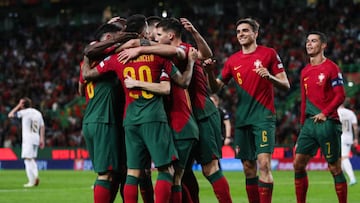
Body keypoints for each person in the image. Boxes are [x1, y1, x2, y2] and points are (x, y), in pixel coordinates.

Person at [118, 17, 233, 203]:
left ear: (170, 36)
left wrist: (140, 47)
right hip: (183, 116)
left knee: (208, 168)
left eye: (158, 34)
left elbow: (206, 54)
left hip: (201, 113)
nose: (154, 38)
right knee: (182, 172)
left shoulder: (184, 50)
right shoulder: (170, 53)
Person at [82, 14, 181, 203]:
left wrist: (93, 53)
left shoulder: (115, 57)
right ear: (144, 32)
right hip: (153, 116)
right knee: (165, 170)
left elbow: (86, 75)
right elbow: (179, 74)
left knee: (132, 173)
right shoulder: (158, 54)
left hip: (129, 119)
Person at [204, 17, 290, 203]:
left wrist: (270, 78)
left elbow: (285, 84)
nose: (241, 34)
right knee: (248, 168)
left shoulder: (269, 54)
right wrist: (210, 72)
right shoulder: (232, 60)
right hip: (242, 119)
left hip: (263, 117)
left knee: (264, 165)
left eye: (245, 30)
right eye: (238, 32)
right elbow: (215, 87)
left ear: (255, 33)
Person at [293, 31, 346, 203]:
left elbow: (340, 96)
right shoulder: (305, 71)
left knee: (334, 168)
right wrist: (302, 127)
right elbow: (303, 101)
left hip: (328, 123)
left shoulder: (332, 68)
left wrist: (325, 113)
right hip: (309, 125)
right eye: (307, 41)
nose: (309, 44)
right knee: (298, 164)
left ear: (323, 45)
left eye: (313, 41)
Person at [79, 23, 128, 203]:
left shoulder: (87, 62)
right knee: (106, 174)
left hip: (94, 118)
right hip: (103, 120)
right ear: (109, 39)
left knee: (116, 171)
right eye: (119, 36)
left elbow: (80, 89)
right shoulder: (107, 58)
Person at [8, 97, 45, 187]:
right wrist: (42, 139)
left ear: (23, 105)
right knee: (31, 159)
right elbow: (42, 126)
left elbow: (10, 115)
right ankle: (34, 179)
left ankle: (33, 179)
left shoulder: (24, 112)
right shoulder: (38, 113)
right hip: (36, 138)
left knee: (27, 159)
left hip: (28, 139)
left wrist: (18, 106)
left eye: (21, 103)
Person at [338, 103, 358, 186]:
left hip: (341, 137)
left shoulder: (337, 112)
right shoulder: (350, 113)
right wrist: (356, 138)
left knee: (344, 158)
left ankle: (352, 178)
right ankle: (341, 178)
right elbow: (355, 127)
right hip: (349, 137)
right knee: (341, 158)